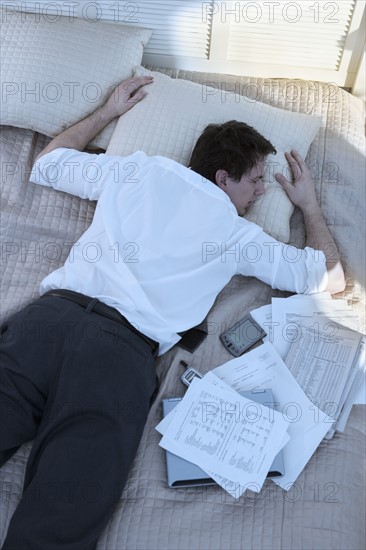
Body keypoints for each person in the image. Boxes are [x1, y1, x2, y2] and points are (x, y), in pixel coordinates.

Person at [0, 76, 345, 549]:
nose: (262, 192)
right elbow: (328, 276)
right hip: (115, 358)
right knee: (58, 521)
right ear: (223, 178)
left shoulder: (139, 170)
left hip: (45, 324)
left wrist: (106, 113)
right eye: (256, 179)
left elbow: (48, 163)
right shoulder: (232, 231)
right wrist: (308, 205)